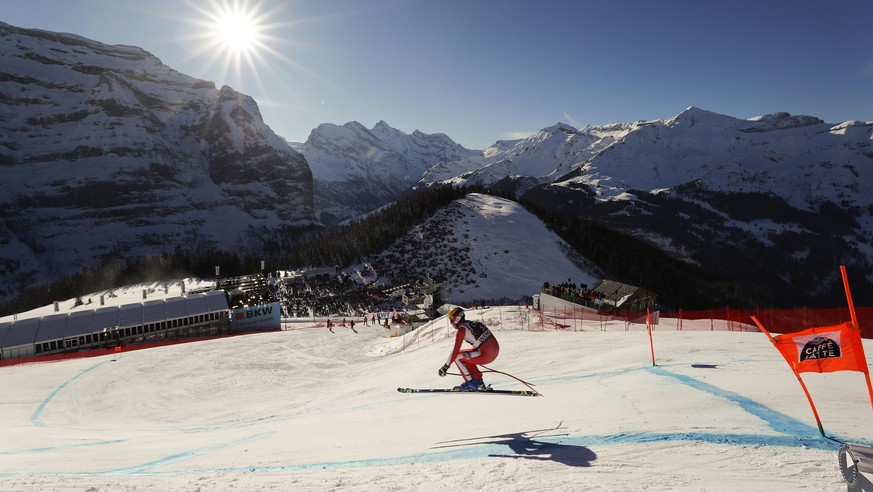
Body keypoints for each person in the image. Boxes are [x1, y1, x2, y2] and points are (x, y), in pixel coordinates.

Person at [438, 307, 500, 391]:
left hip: (485, 355)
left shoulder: (462, 330)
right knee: (464, 355)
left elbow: (455, 351)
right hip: (492, 351)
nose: (451, 323)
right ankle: (478, 383)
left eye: (451, 319)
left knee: (457, 357)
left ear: (456, 319)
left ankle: (471, 383)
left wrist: (445, 367)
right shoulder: (471, 324)